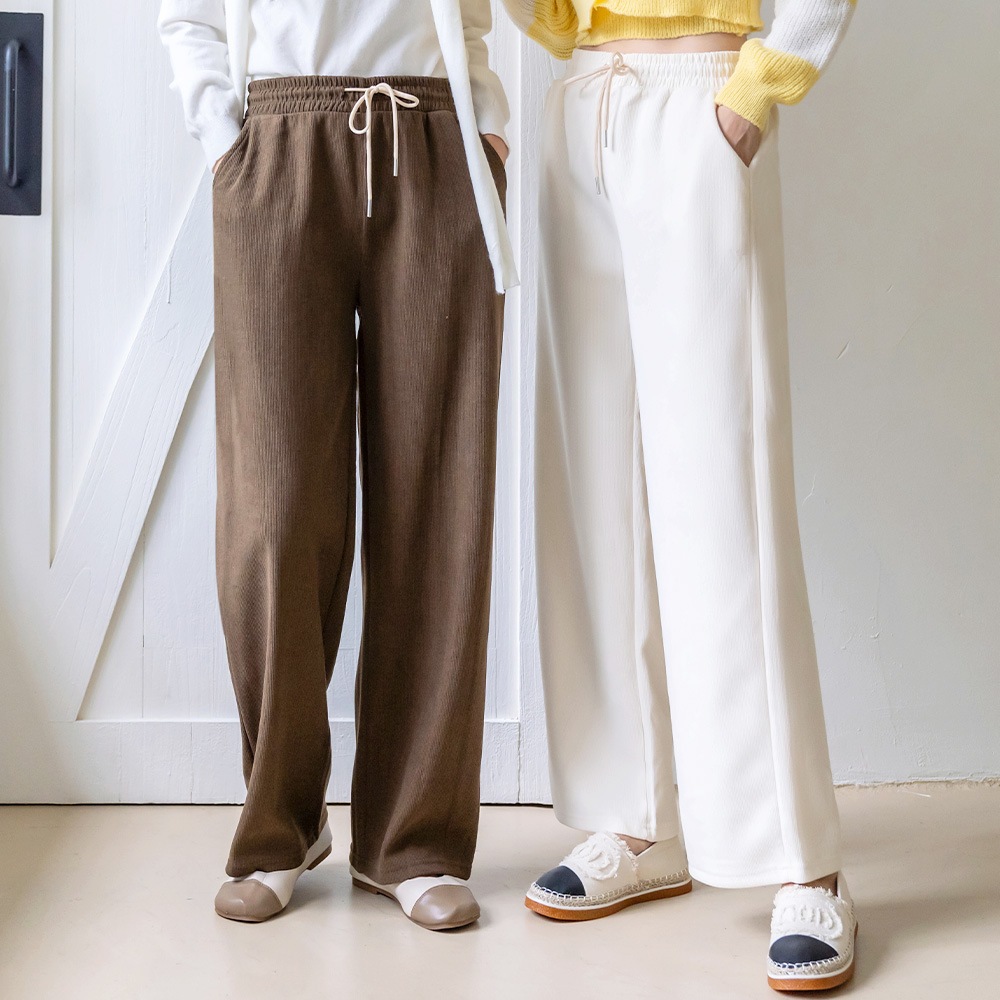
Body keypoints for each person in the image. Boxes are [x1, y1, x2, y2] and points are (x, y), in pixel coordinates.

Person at [501, 0, 858, 991]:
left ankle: (805, 859)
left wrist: (758, 89)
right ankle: (639, 818)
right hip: (583, 101)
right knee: (596, 484)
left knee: (725, 488)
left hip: (701, 98)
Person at [157, 0, 516, 928]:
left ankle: (415, 840)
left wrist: (483, 128)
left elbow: (475, 17)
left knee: (438, 499)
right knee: (274, 509)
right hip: (277, 142)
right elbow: (187, 14)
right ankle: (281, 826)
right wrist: (224, 138)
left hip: (435, 138)